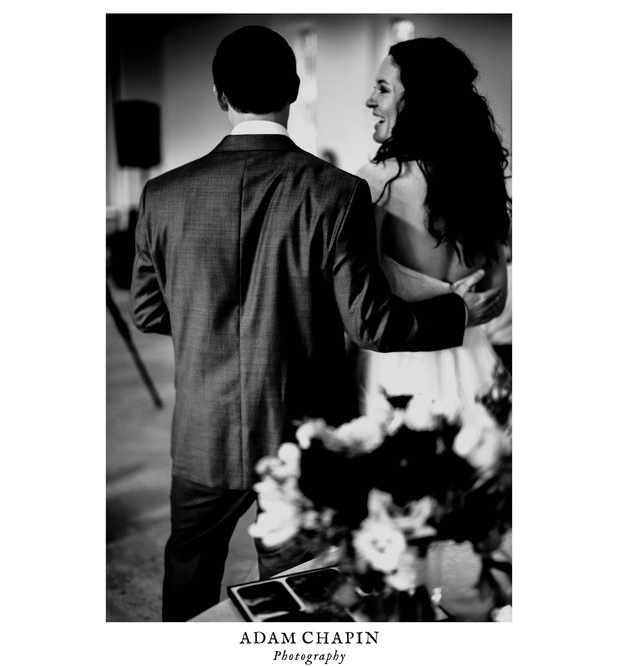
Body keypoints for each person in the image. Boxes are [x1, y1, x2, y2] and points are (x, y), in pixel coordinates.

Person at [131, 26, 505, 621]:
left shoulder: (161, 194)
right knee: (296, 593)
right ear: (295, 88)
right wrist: (458, 311)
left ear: (218, 94)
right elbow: (371, 323)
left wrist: (211, 315)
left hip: (203, 431)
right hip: (301, 432)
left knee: (188, 576)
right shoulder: (337, 192)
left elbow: (148, 310)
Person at [356, 37, 512, 420]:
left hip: (402, 375)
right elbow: (494, 297)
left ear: (417, 102)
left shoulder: (373, 185)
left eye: (383, 89)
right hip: (476, 366)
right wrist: (459, 306)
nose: (370, 101)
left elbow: (363, 308)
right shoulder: (480, 181)